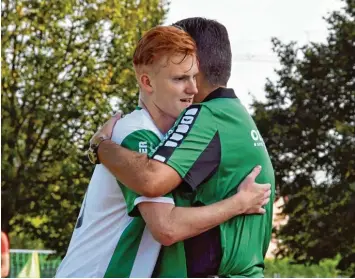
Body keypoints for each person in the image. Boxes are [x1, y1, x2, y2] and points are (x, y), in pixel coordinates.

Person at [56, 26, 271, 278]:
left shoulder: (165, 139)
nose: (192, 89)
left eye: (193, 77)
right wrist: (239, 204)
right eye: (179, 79)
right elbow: (166, 227)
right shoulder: (136, 134)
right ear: (146, 81)